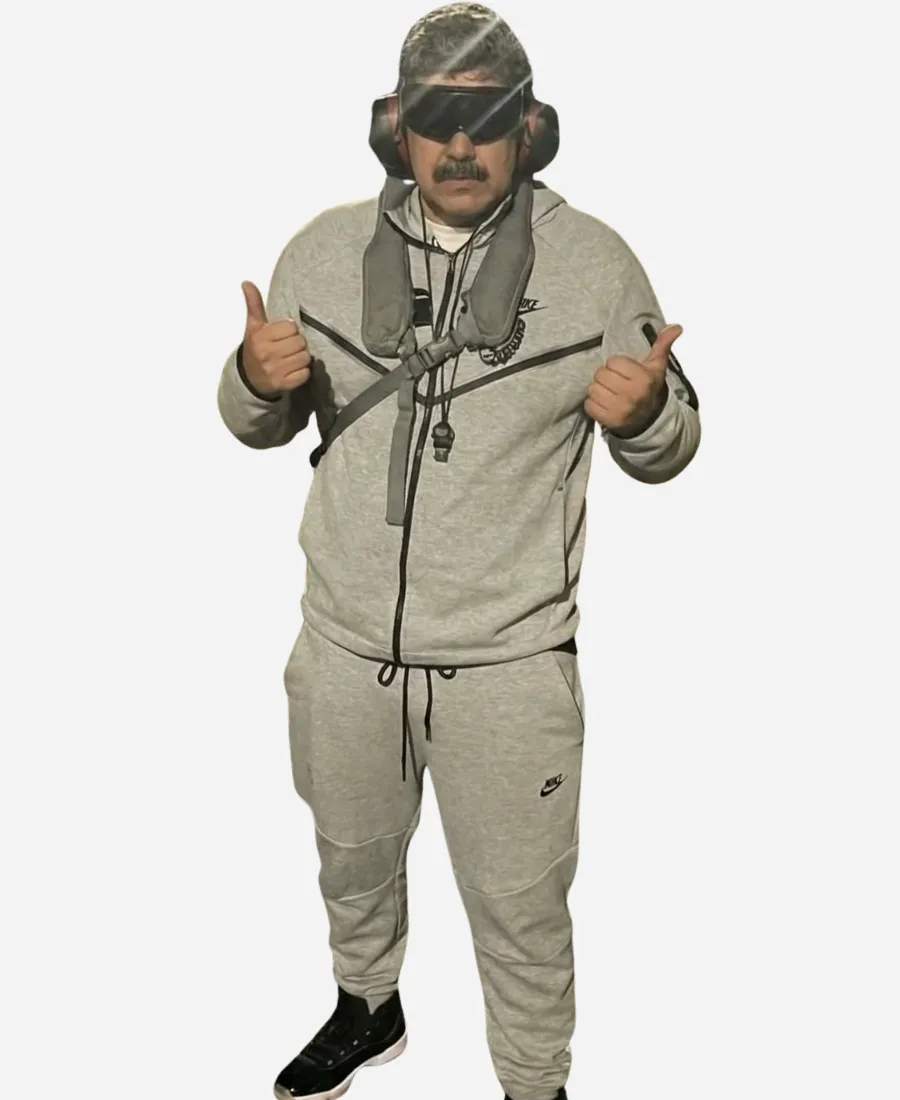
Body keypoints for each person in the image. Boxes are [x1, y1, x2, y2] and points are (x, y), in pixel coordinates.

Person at [216, 4, 701, 1099]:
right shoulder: (318, 251)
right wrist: (250, 381)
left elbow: (673, 443)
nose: (463, 143)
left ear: (531, 129)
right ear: (397, 127)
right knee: (350, 856)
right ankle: (367, 1005)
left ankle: (534, 1082)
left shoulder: (597, 264)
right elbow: (258, 424)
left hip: (508, 666)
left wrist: (646, 418)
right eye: (438, 116)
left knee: (521, 901)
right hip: (344, 649)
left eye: (488, 117)